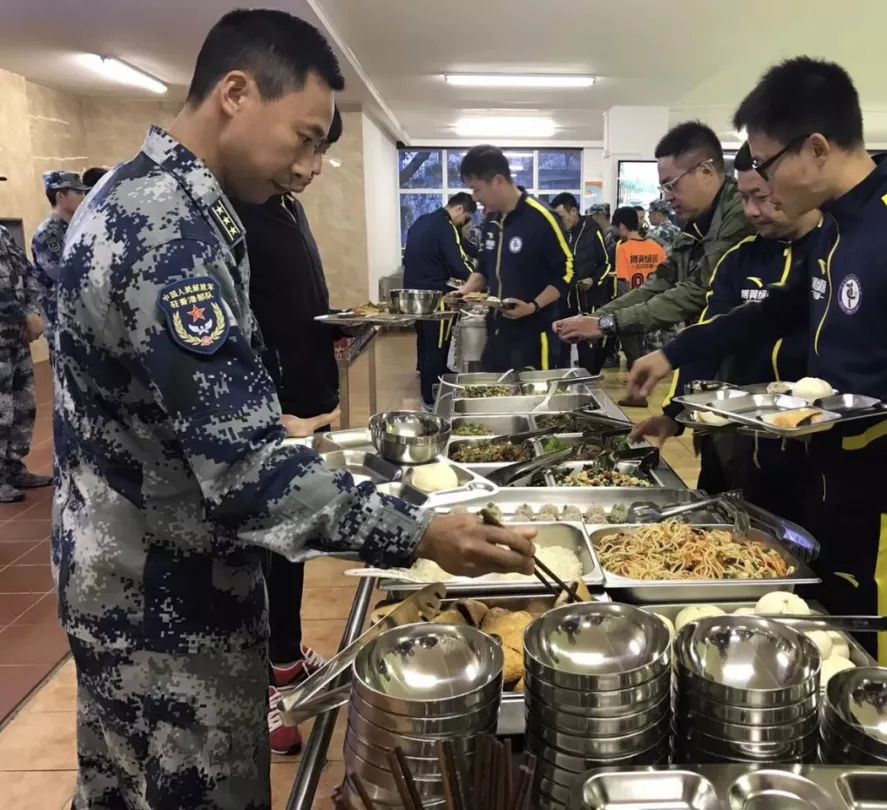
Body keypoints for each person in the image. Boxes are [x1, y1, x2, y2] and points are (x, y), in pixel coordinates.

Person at [53, 11, 535, 808]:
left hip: (119, 575)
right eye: (306, 137)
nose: (309, 165)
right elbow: (245, 477)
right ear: (236, 94)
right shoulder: (170, 228)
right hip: (169, 604)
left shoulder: (132, 191)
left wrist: (267, 427)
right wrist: (422, 531)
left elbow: (155, 414)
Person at [627, 57, 887, 676]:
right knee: (826, 635)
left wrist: (830, 426)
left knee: (876, 655)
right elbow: (778, 311)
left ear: (816, 149)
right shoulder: (837, 232)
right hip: (832, 479)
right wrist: (673, 353)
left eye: (766, 165)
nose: (762, 186)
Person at [230, 107, 347, 756]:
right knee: (260, 544)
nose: (313, 167)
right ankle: (265, 680)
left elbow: (287, 299)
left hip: (302, 402)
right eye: (306, 145)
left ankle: (284, 656)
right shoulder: (223, 213)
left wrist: (327, 326)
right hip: (262, 417)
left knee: (291, 539)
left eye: (322, 150)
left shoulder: (283, 207)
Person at [633, 170, 817, 519]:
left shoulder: (832, 253)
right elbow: (712, 338)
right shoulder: (738, 259)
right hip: (734, 443)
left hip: (807, 451)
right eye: (744, 198)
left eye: (761, 197)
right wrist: (676, 414)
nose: (751, 211)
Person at [553, 122, 753, 364]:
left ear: (706, 171)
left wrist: (606, 323)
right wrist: (595, 318)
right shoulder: (697, 224)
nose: (667, 196)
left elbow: (698, 291)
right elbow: (661, 283)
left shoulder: (739, 214)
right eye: (663, 187)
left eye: (672, 184)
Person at [449, 145, 573, 372]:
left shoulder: (542, 218)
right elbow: (483, 268)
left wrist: (532, 306)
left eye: (477, 190)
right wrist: (464, 291)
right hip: (497, 333)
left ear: (498, 181)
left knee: (533, 404)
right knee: (494, 398)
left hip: (534, 336)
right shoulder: (492, 220)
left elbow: (566, 272)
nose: (475, 199)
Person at [402, 191, 477, 406]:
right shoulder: (445, 226)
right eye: (466, 218)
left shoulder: (422, 221)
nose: (464, 223)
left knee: (425, 342)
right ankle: (431, 397)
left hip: (415, 296)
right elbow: (458, 262)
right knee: (437, 346)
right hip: (437, 297)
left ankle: (430, 383)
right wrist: (480, 278)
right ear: (460, 209)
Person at [0, 225, 50, 504]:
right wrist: (23, 316)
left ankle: (13, 467)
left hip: (16, 339)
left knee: (23, 405)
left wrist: (32, 312)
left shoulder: (4, 233)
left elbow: (27, 272)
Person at [609, 206, 666, 400]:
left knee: (634, 356)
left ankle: (637, 395)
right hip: (655, 308)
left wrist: (620, 312)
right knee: (650, 355)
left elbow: (623, 284)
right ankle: (647, 393)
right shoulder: (657, 248)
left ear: (623, 227)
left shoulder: (623, 249)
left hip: (632, 310)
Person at [551, 192, 611, 374]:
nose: (561, 222)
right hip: (562, 298)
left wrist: (593, 280)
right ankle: (561, 382)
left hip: (586, 298)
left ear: (574, 211)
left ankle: (588, 383)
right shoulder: (558, 232)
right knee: (561, 345)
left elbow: (606, 264)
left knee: (586, 346)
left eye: (562, 217)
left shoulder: (592, 230)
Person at [31, 171, 89, 346]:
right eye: (77, 192)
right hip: (61, 322)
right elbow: (63, 274)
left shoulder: (77, 228)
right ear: (60, 197)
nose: (83, 196)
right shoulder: (47, 234)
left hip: (82, 319)